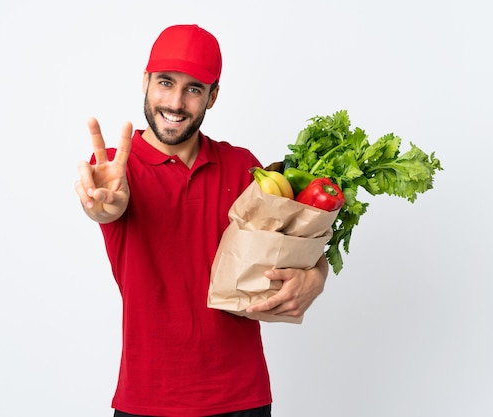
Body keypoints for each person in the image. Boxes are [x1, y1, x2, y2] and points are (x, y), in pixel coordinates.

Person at [75, 24, 329, 417]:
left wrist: (316, 276)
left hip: (241, 398)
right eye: (165, 82)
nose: (175, 102)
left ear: (213, 96)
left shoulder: (246, 168)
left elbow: (292, 249)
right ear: (145, 81)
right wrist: (102, 206)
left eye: (194, 88)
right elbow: (105, 207)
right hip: (148, 401)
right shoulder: (115, 169)